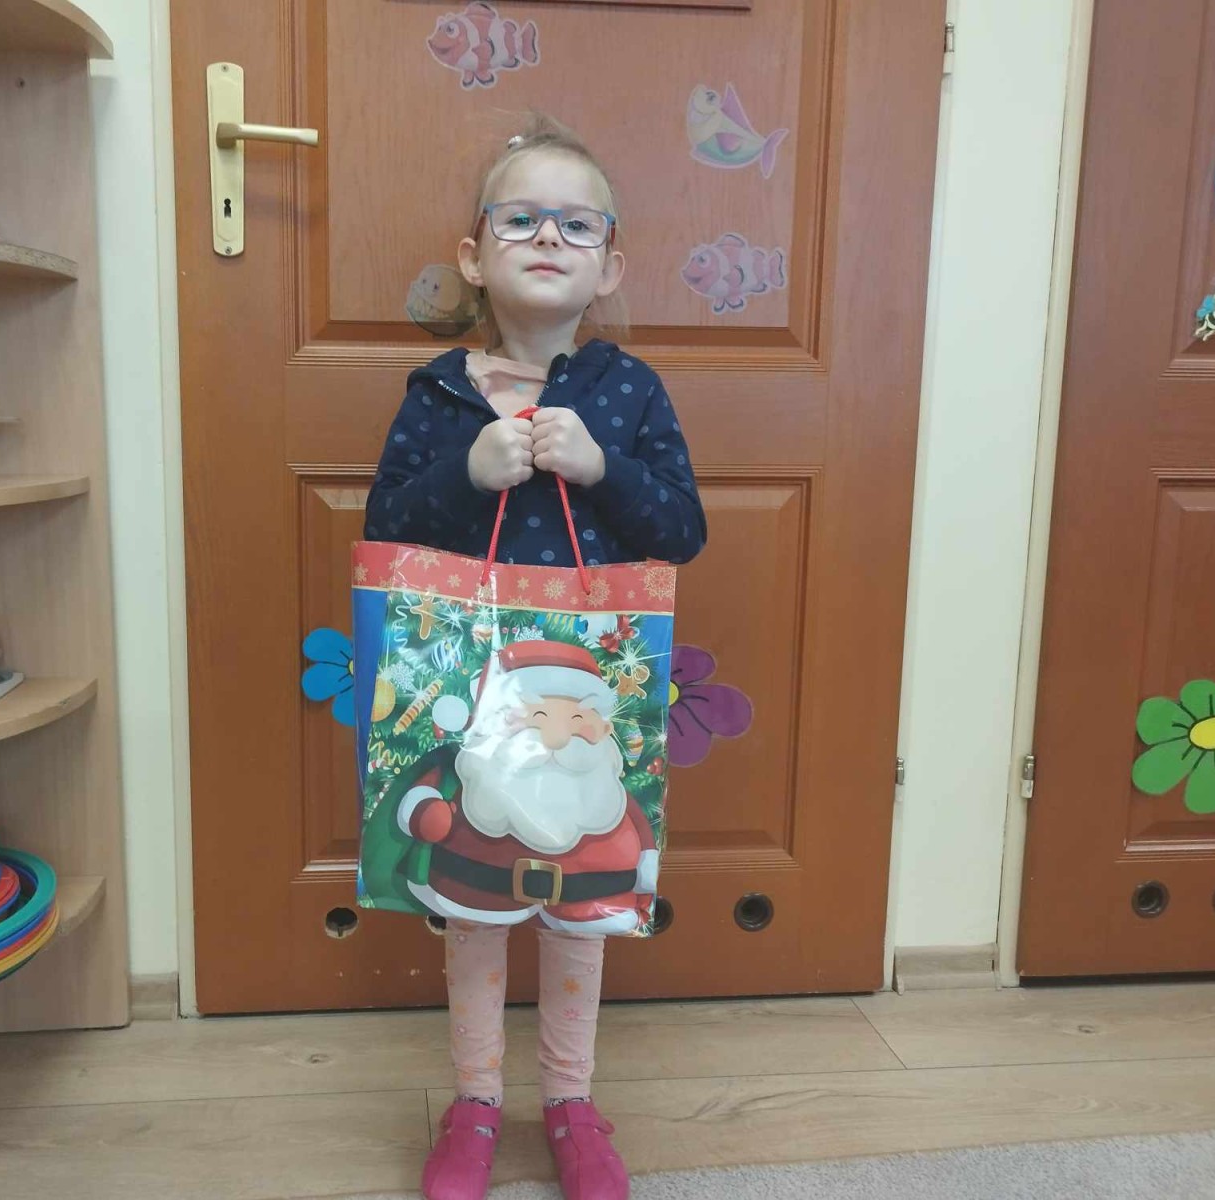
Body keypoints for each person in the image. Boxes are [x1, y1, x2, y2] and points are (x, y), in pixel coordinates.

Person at [365, 114, 707, 1200]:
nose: (549, 237)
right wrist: (465, 471)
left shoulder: (628, 390)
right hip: (471, 696)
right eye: (521, 219)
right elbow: (386, 531)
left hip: (588, 700)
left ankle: (569, 1100)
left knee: (581, 905)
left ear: (609, 266)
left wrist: (604, 467)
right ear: (476, 256)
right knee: (473, 903)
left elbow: (683, 530)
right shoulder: (438, 392)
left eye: (577, 223)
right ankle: (475, 1101)